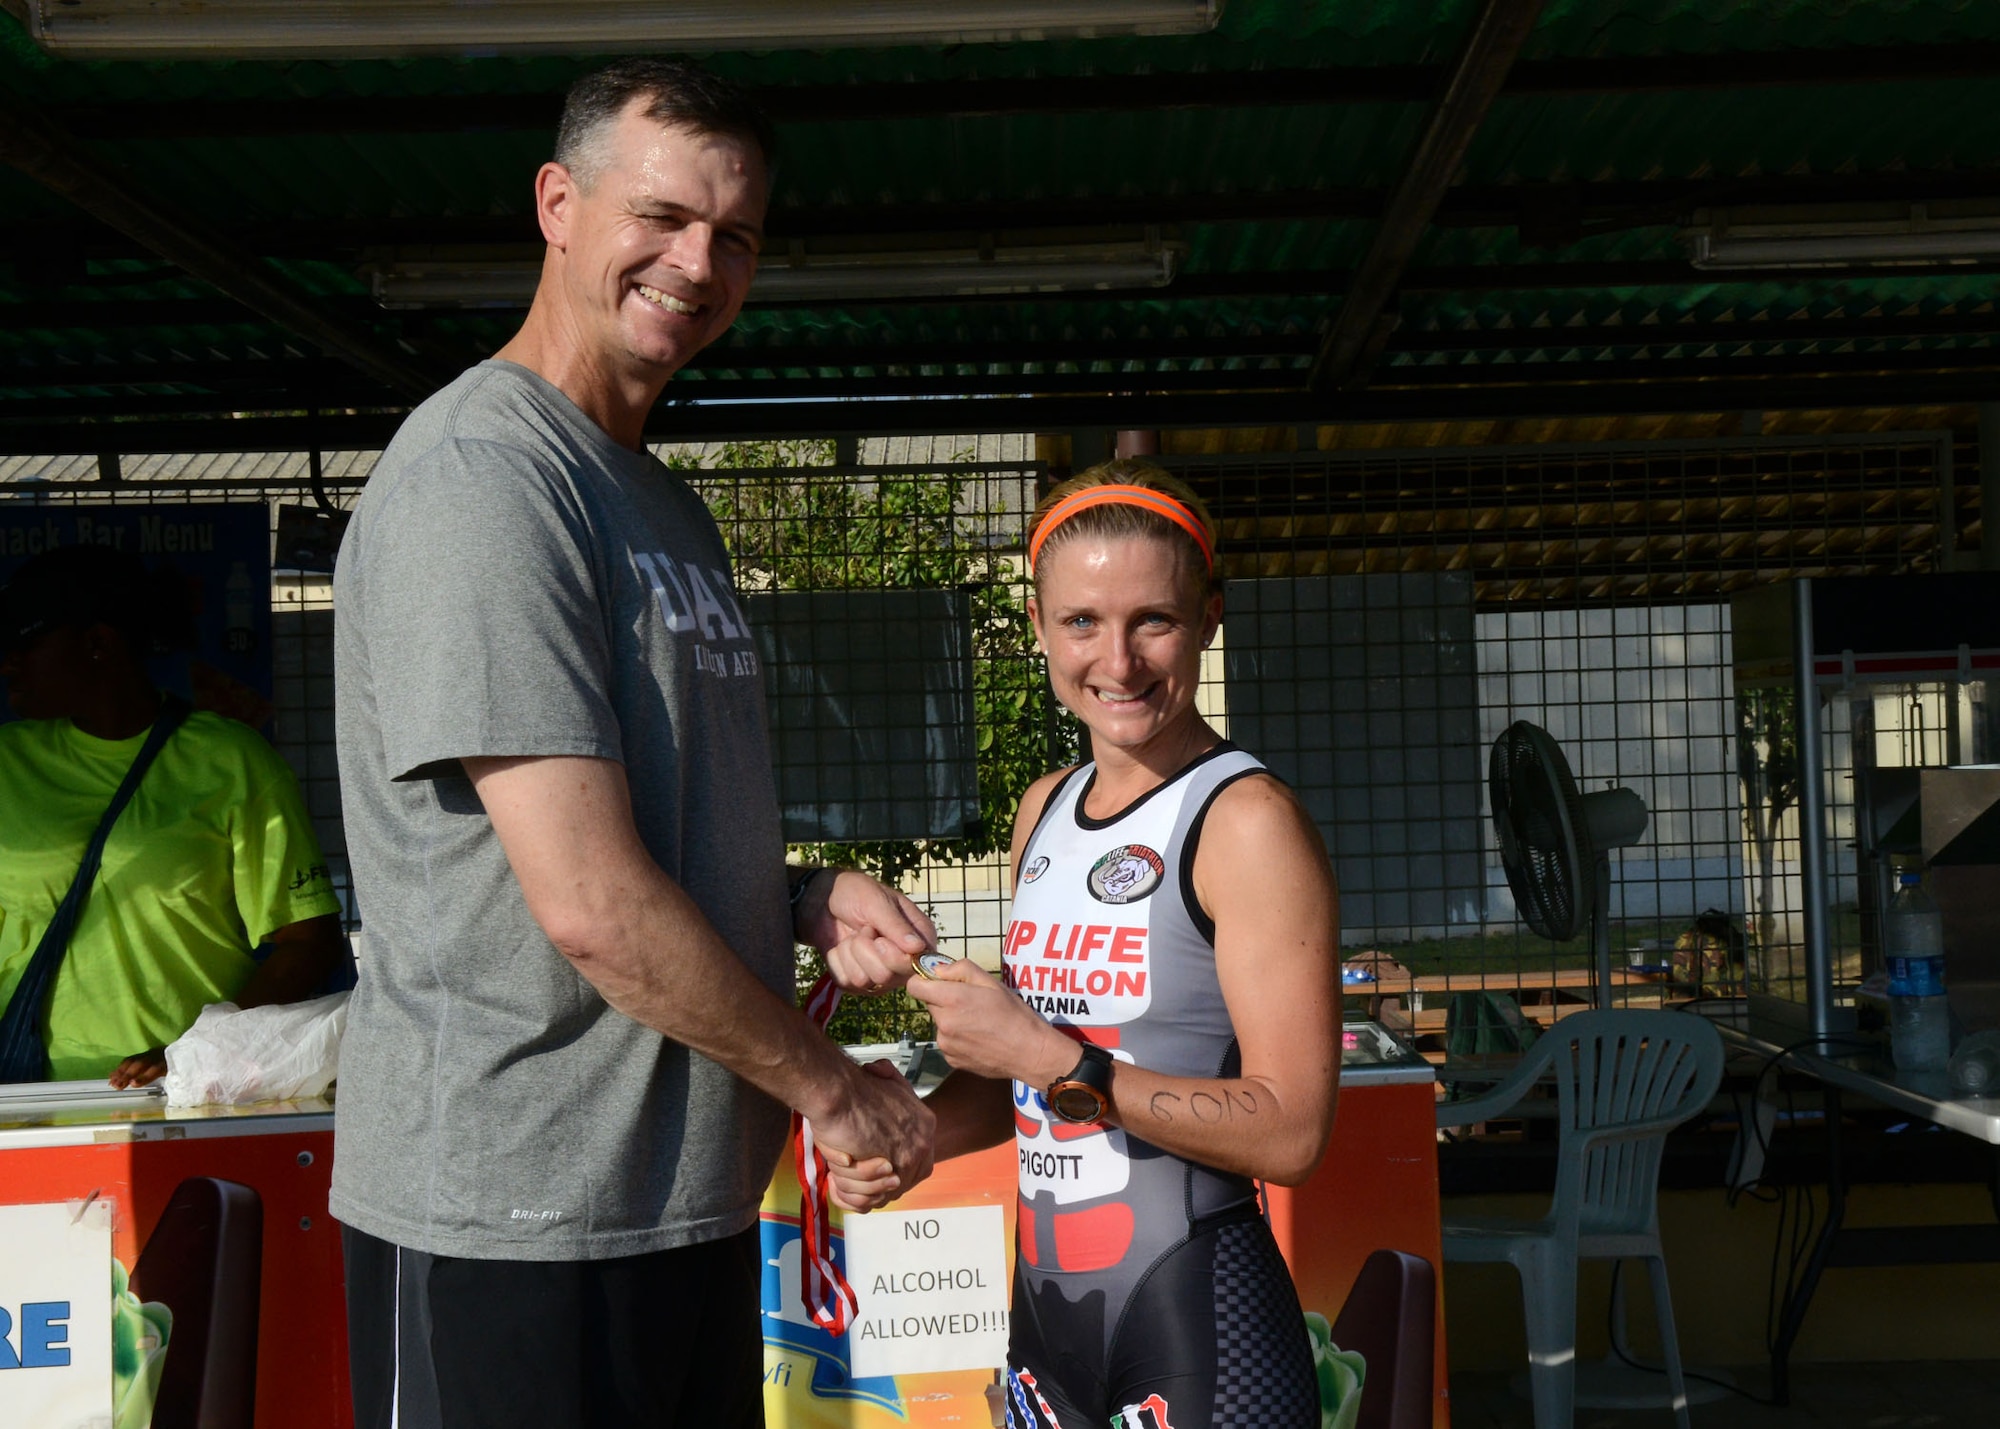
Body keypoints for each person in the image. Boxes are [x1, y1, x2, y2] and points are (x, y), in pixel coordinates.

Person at [331, 57, 936, 1429]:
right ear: (558, 203)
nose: (697, 261)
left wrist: (798, 896)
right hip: (507, 1210)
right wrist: (826, 1086)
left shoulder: (657, 505)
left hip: (670, 1198)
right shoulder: (485, 478)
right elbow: (593, 905)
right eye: (659, 216)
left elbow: (645, 843)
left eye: (735, 235)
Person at [843, 460, 1342, 1429]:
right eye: (1080, 622)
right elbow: (1019, 1080)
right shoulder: (1046, 808)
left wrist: (1048, 1053)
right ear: (1036, 624)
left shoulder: (1245, 822)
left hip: (1202, 1325)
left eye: (1151, 619)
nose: (1116, 661)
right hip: (1047, 1329)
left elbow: (1292, 1131)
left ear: (1208, 615)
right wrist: (911, 1137)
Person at [0, 543, 346, 1085]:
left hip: (187, 1093)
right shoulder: (7, 763)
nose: (6, 663)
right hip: (26, 1100)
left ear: (98, 643)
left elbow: (309, 941)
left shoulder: (230, 759)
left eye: (23, 642)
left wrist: (201, 1049)